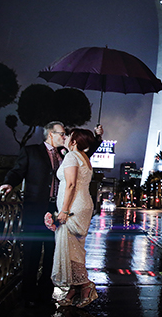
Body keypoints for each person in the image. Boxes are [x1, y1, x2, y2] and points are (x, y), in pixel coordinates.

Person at [0, 122, 103, 309]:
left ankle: (46, 293)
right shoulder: (31, 151)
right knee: (32, 251)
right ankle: (29, 294)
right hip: (36, 207)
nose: (65, 137)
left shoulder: (67, 154)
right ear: (50, 134)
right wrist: (8, 183)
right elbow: (17, 171)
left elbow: (82, 151)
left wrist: (96, 138)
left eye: (66, 135)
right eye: (62, 134)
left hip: (58, 209)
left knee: (52, 252)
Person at [51, 128, 97, 308]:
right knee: (74, 247)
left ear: (75, 141)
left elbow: (70, 185)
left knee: (70, 248)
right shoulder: (85, 158)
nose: (66, 137)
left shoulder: (72, 157)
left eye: (69, 135)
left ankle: (85, 285)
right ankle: (73, 289)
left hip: (73, 207)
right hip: (84, 205)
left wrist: (63, 210)